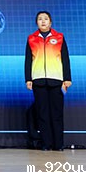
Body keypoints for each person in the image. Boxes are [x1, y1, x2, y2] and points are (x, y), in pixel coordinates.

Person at [25, 11, 72, 151]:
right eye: (40, 19)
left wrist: (67, 78)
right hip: (38, 80)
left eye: (46, 19)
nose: (43, 21)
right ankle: (46, 143)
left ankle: (58, 144)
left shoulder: (59, 37)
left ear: (50, 22)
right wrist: (28, 79)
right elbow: (28, 60)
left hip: (56, 80)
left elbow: (65, 59)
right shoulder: (31, 38)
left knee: (57, 114)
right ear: (36, 23)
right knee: (42, 114)